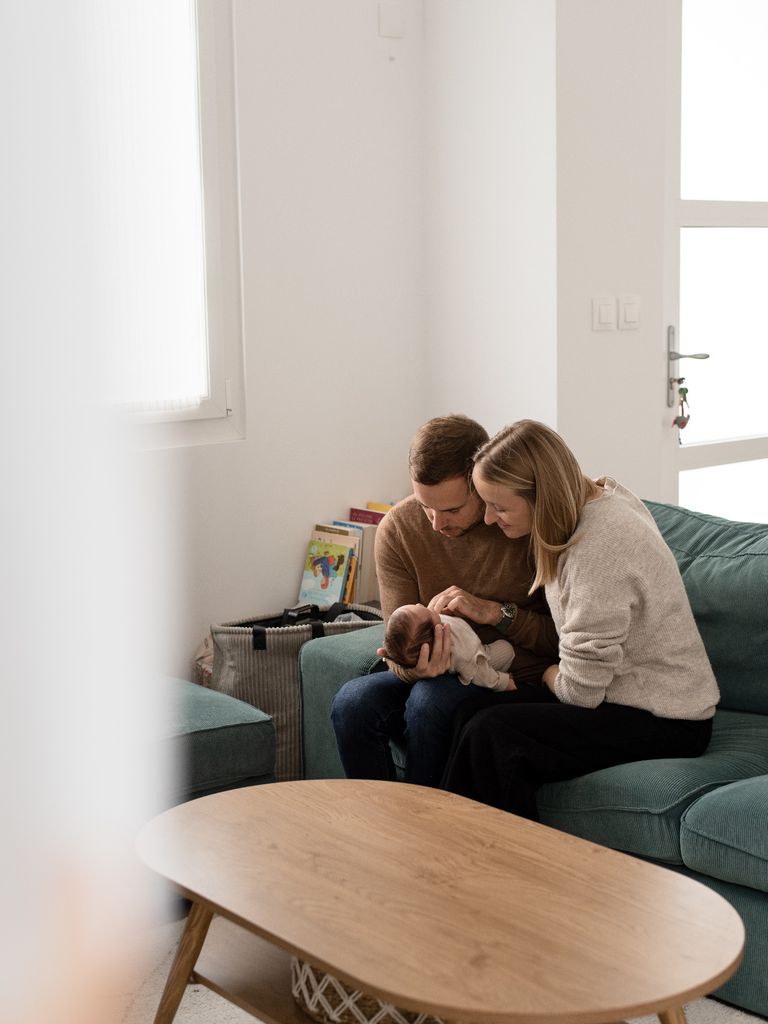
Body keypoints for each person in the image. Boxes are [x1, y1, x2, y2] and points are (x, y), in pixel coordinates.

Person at [440, 419, 719, 820]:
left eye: (499, 506)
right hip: (618, 695)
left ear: (543, 495)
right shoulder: (596, 499)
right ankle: (449, 849)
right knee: (469, 712)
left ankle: (496, 870)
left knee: (494, 735)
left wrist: (546, 673)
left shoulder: (598, 548)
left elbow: (579, 693)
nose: (487, 519)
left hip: (666, 718)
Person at [330, 414, 559, 787]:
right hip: (435, 673)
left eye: (452, 510)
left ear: (482, 485)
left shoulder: (521, 524)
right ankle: (377, 829)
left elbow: (561, 643)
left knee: (429, 701)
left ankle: (430, 832)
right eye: (426, 507)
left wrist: (495, 613)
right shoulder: (399, 529)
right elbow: (397, 639)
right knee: (353, 703)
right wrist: (412, 669)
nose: (436, 524)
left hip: (510, 677)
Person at [383, 602, 515, 693]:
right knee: (507, 650)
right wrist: (503, 683)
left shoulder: (424, 627)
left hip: (476, 647)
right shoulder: (463, 653)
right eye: (428, 611)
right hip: (478, 659)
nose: (419, 604)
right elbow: (479, 673)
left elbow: (399, 638)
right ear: (436, 633)